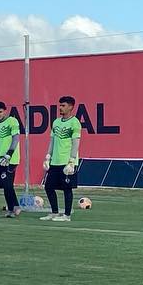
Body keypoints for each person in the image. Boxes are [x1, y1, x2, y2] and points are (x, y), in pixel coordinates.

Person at [41, 94, 83, 222]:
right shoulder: (56, 122)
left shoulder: (75, 123)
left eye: (63, 105)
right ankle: (54, 212)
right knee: (48, 186)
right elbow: (52, 141)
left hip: (67, 162)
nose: (60, 108)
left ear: (70, 107)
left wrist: (71, 161)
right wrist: (48, 157)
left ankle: (67, 215)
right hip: (55, 161)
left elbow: (76, 143)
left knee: (67, 189)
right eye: (60, 105)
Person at [0, 100, 22, 217]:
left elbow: (15, 139)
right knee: (5, 185)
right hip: (0, 160)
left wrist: (9, 154)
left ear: (5, 111)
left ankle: (15, 207)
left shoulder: (12, 121)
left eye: (0, 112)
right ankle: (13, 208)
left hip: (11, 159)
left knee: (8, 184)